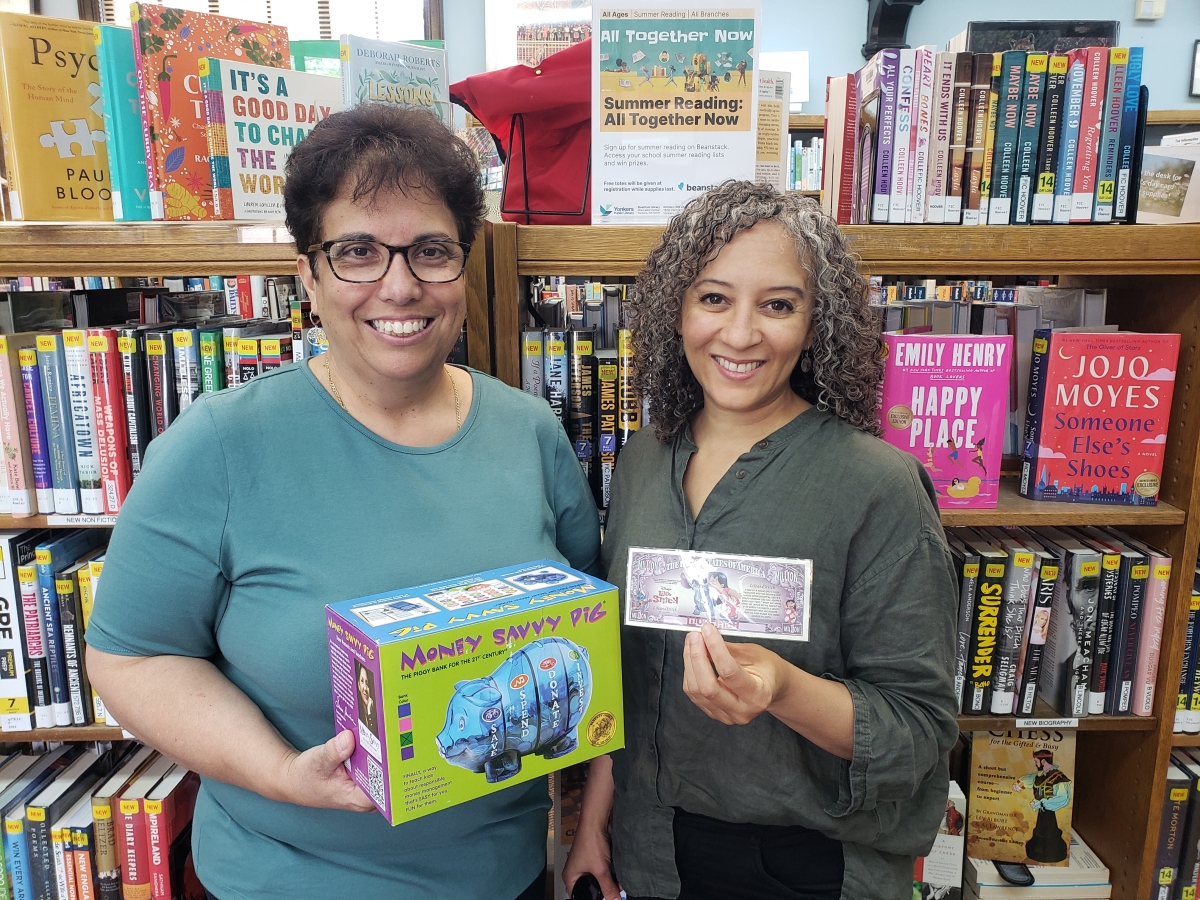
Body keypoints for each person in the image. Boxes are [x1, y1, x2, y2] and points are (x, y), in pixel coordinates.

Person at [85, 105, 600, 900]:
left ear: (464, 266)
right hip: (288, 881)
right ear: (308, 275)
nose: (399, 284)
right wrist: (278, 772)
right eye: (357, 251)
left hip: (507, 877)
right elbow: (130, 656)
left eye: (431, 251)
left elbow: (582, 626)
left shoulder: (529, 431)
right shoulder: (217, 448)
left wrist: (592, 815)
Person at [563, 181, 958, 900]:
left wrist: (780, 686)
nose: (740, 334)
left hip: (800, 863)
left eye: (778, 305)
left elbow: (918, 729)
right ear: (675, 312)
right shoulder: (647, 458)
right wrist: (596, 821)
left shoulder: (878, 487)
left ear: (816, 325)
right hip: (648, 849)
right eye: (714, 298)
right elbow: (627, 671)